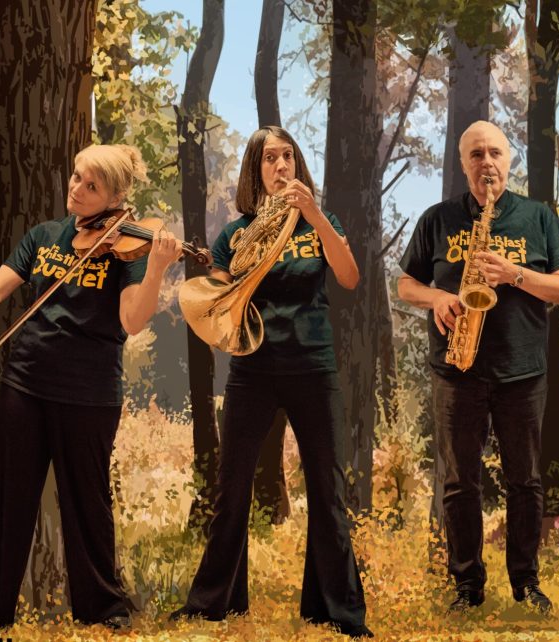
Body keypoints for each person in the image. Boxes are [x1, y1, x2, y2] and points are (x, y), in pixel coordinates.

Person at [0, 144, 181, 640]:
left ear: (116, 195)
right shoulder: (44, 236)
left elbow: (131, 320)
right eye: (77, 177)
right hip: (26, 383)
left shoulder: (128, 248)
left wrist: (157, 270)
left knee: (88, 503)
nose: (76, 189)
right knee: (9, 500)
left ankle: (104, 610)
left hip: (89, 392)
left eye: (91, 186)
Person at [169, 126, 372, 639]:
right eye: (269, 160)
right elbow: (215, 295)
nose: (280, 166)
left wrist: (317, 216)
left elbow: (348, 277)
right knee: (231, 487)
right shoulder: (235, 233)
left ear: (298, 165)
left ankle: (338, 610)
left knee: (327, 488)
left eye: (288, 157)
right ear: (255, 171)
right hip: (252, 369)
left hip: (313, 364)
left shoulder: (318, 223)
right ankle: (213, 602)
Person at [397, 120, 559, 614]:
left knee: (526, 480)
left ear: (509, 161)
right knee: (460, 483)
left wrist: (515, 274)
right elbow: (405, 285)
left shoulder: (537, 217)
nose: (487, 162)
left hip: (522, 371)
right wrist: (436, 298)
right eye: (476, 154)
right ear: (463, 164)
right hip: (457, 370)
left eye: (495, 152)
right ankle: (467, 586)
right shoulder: (438, 218)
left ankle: (526, 583)